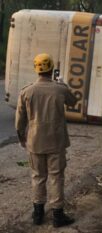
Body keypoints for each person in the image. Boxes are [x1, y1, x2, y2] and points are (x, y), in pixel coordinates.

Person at [15, 53, 77, 227]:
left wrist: (22, 139)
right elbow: (73, 102)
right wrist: (64, 83)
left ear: (36, 70)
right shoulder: (60, 89)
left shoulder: (27, 91)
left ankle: (38, 215)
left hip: (35, 142)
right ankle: (58, 216)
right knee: (56, 177)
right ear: (51, 69)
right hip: (56, 142)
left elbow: (20, 121)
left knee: (38, 177)